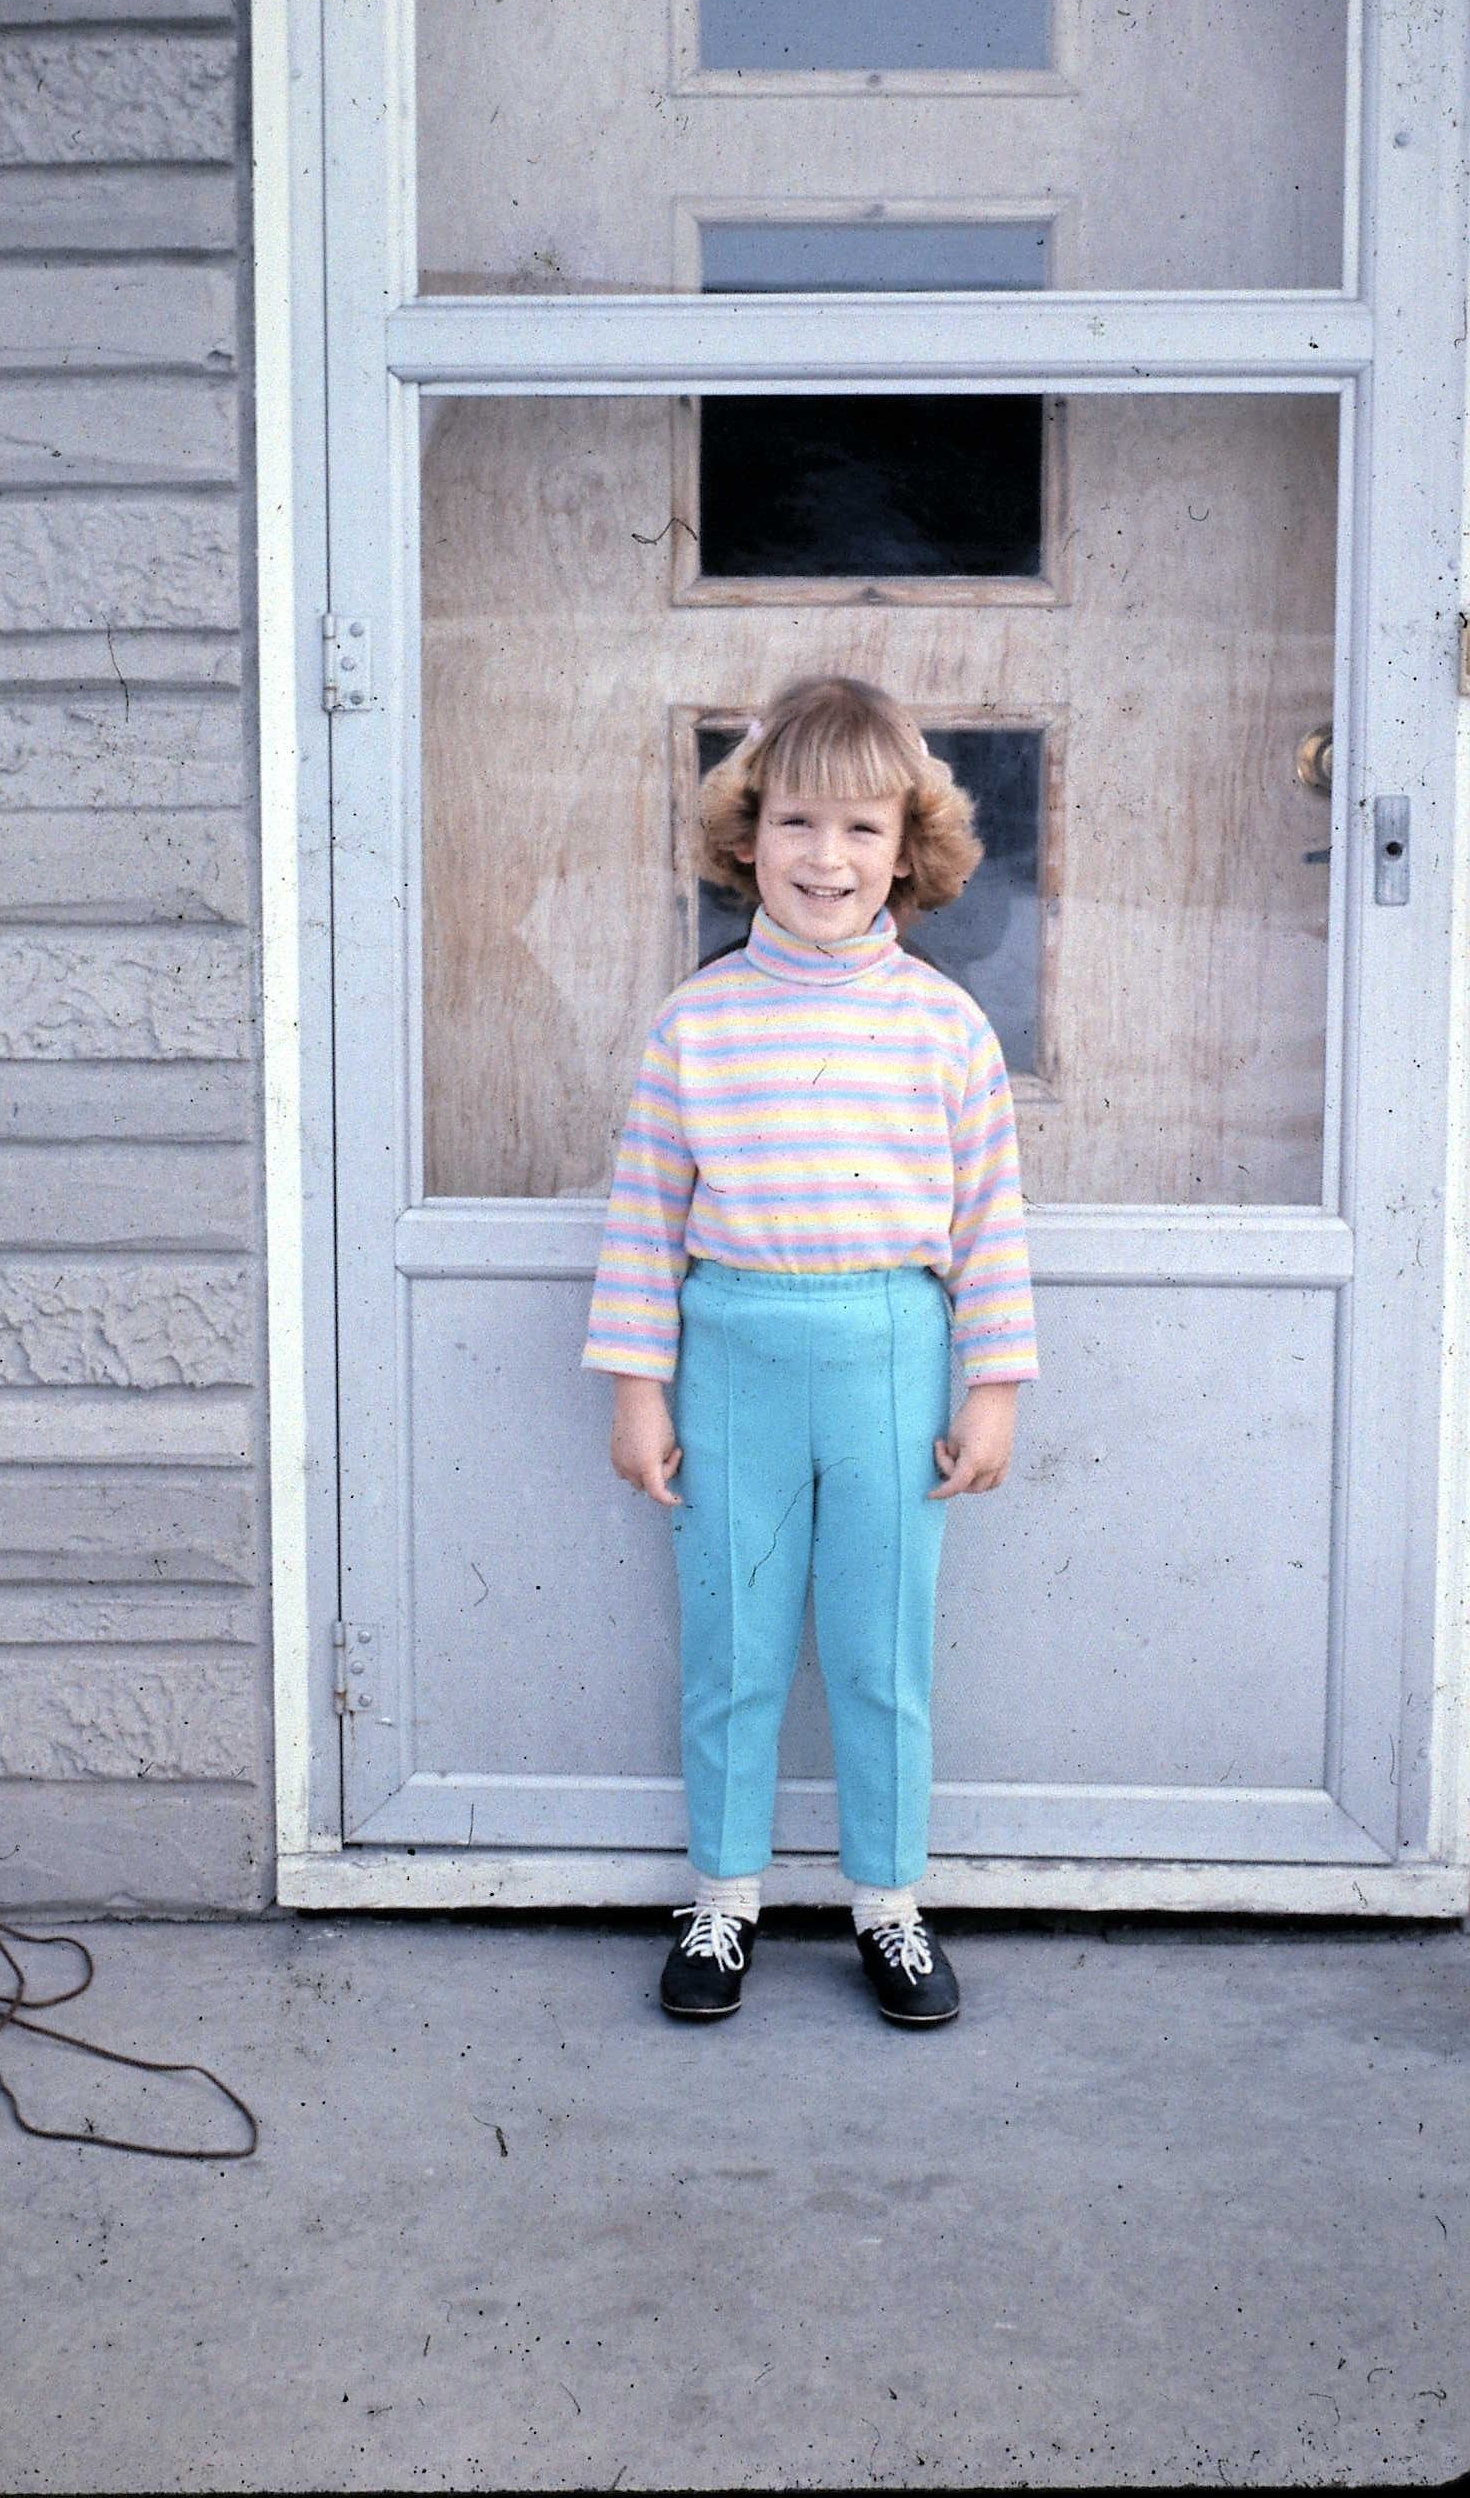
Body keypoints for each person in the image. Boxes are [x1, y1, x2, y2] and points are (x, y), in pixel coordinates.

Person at [581, 674, 1038, 2028]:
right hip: (733, 1349)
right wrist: (636, 1391)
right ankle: (723, 1897)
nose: (825, 859)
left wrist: (994, 1388)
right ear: (747, 837)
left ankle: (887, 1903)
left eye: (858, 830)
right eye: (795, 823)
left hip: (892, 1351)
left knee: (878, 1648)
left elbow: (989, 1223)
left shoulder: (945, 1027)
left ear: (909, 848)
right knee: (732, 1633)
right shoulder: (699, 1022)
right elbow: (645, 1219)